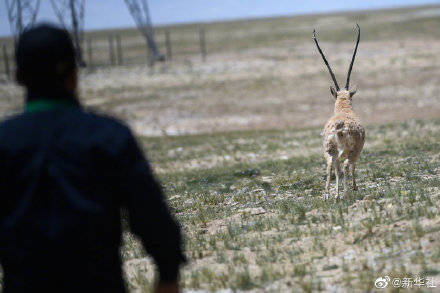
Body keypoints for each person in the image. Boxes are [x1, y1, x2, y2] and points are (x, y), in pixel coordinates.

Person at [0, 23, 185, 293]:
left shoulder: (5, 142)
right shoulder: (108, 137)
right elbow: (150, 214)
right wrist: (168, 272)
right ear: (74, 74)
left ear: (18, 76)